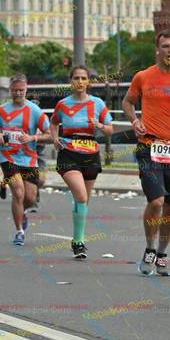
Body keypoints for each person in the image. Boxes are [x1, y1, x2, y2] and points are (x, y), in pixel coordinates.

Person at [122, 31, 170, 277]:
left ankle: (163, 252)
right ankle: (150, 248)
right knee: (156, 201)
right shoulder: (143, 77)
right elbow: (127, 103)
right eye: (166, 46)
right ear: (158, 50)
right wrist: (134, 121)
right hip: (149, 145)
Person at [50, 64, 112, 260]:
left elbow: (110, 129)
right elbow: (53, 122)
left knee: (83, 200)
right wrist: (54, 138)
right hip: (68, 153)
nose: (80, 82)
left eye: (83, 78)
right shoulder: (63, 104)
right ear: (71, 81)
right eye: (76, 78)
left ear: (88, 82)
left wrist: (99, 125)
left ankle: (77, 239)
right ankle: (79, 242)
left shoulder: (98, 104)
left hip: (90, 153)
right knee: (81, 195)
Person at [0, 75, 52, 246]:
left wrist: (32, 137)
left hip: (29, 160)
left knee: (30, 198)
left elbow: (50, 135)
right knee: (18, 192)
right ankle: (19, 232)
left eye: (21, 90)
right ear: (10, 90)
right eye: (15, 90)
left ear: (26, 90)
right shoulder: (1, 111)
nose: (18, 93)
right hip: (8, 158)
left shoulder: (35, 111)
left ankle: (21, 214)